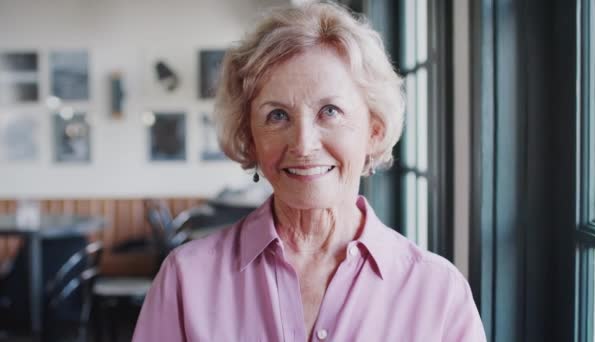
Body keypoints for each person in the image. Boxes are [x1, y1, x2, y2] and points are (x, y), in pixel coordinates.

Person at [132, 2, 486, 341]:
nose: (303, 144)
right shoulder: (185, 280)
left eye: (330, 111)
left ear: (374, 130)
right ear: (249, 137)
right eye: (277, 115)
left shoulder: (438, 293)